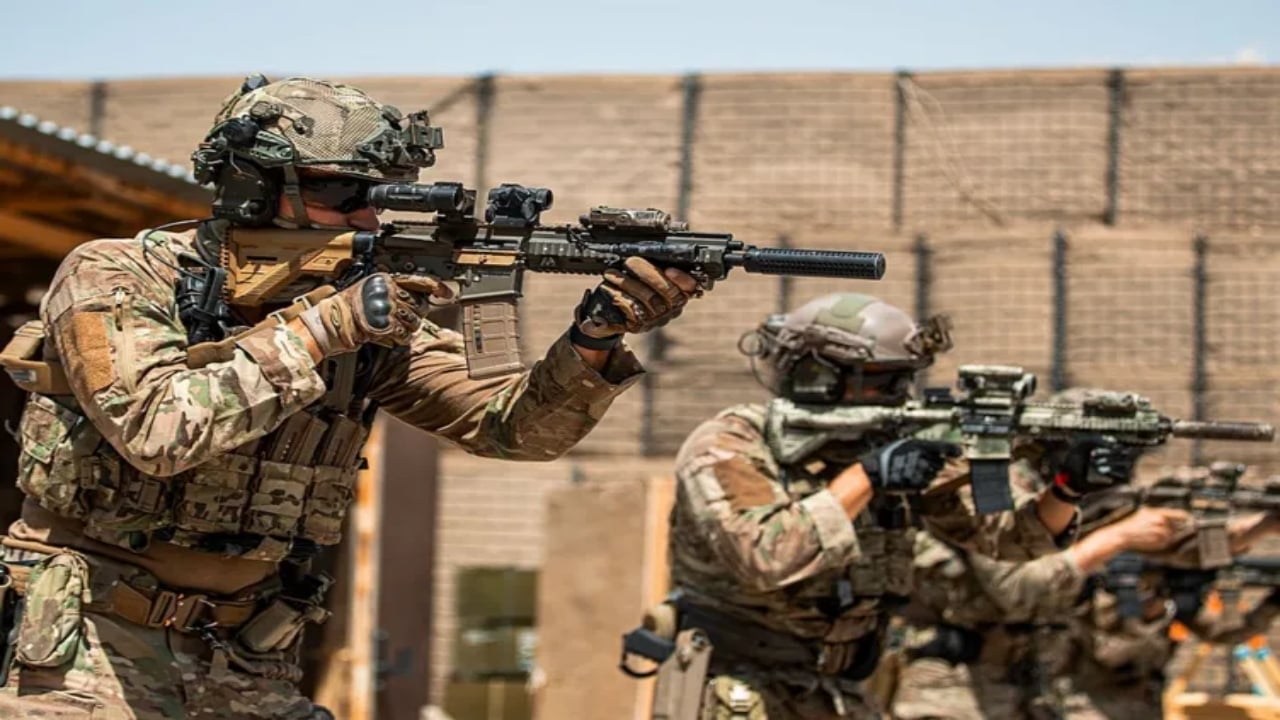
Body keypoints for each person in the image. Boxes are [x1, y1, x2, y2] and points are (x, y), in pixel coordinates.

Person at [0, 76, 706, 718]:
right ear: (250, 184)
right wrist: (322, 329)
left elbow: (512, 431)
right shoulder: (119, 275)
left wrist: (595, 337)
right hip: (89, 648)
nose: (369, 219)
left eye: (382, 197)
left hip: (248, 655)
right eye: (343, 194)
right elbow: (155, 430)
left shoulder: (361, 312)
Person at [655, 293, 1121, 719]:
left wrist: (1066, 487)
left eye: (903, 382)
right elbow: (766, 556)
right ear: (818, 377)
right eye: (880, 383)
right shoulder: (731, 443)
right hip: (736, 688)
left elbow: (1007, 539)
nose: (899, 398)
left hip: (841, 688)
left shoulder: (889, 442)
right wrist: (869, 476)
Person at [892, 461, 1280, 720]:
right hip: (959, 698)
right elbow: (1024, 592)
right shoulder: (1006, 528)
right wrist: (1118, 541)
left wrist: (1262, 526)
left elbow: (1204, 580)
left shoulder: (1118, 545)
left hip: (1043, 701)